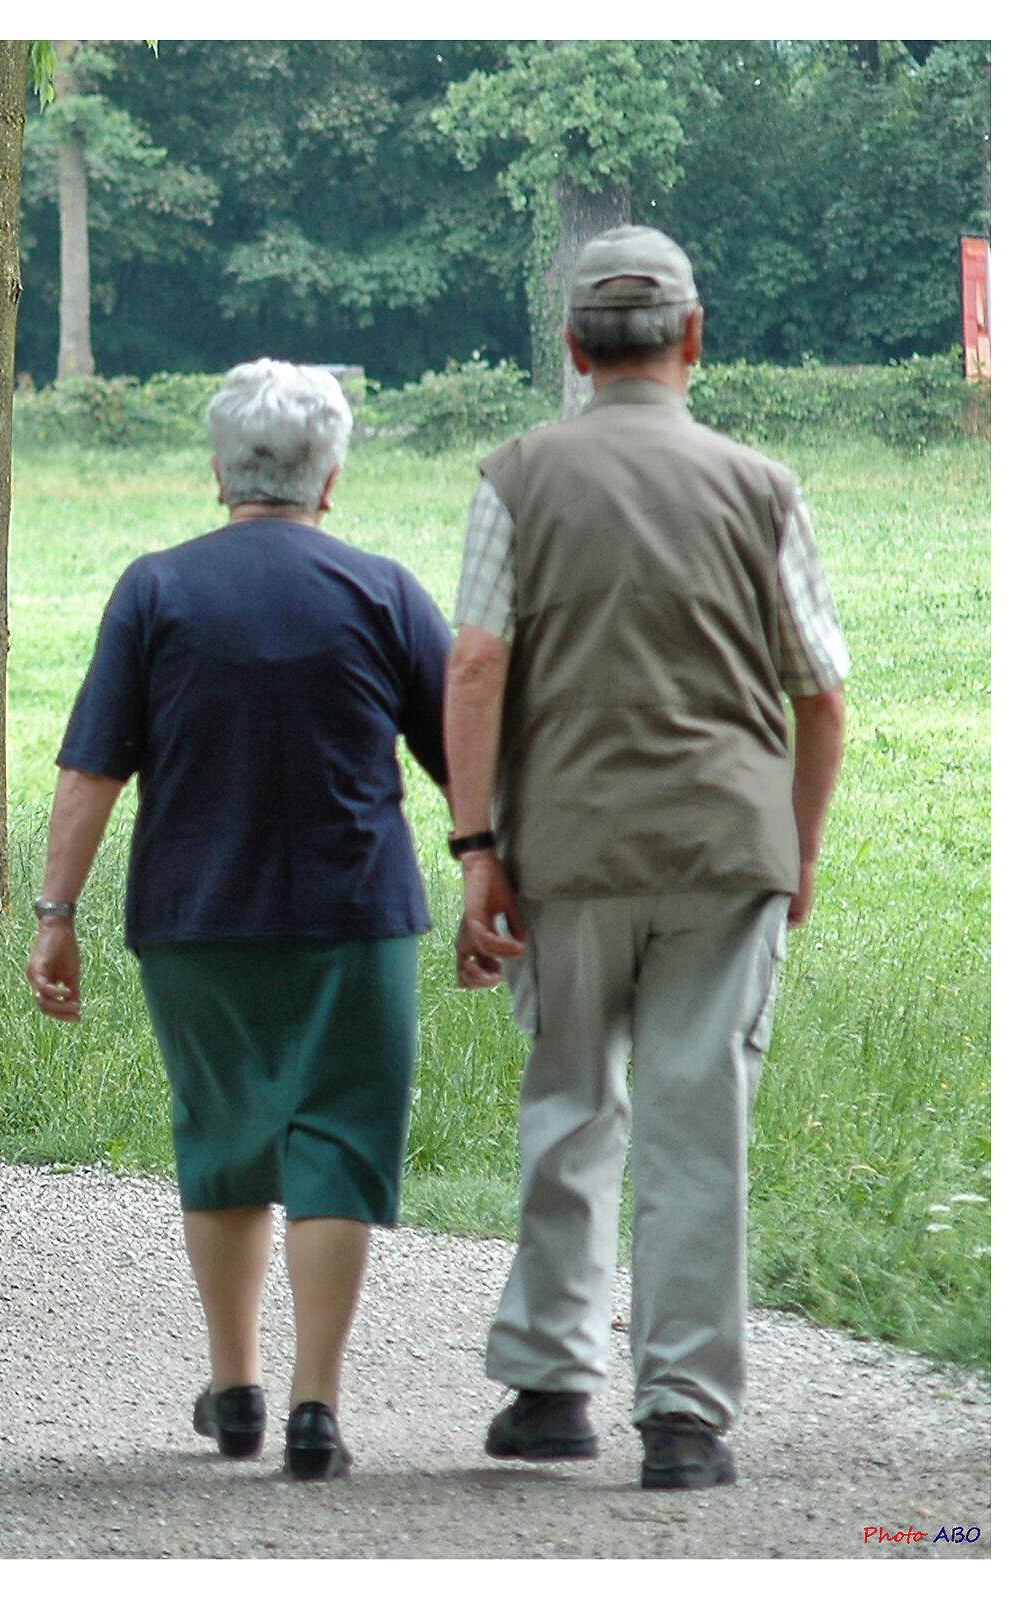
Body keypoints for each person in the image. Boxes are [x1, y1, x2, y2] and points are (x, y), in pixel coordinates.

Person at [446, 226, 848, 1490]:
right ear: (694, 337)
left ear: (574, 347)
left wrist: (476, 849)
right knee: (697, 1124)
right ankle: (682, 1417)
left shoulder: (518, 476)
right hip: (727, 846)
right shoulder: (762, 486)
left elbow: (476, 665)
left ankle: (551, 1387)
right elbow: (821, 692)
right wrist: (799, 848)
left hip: (564, 850)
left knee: (570, 1102)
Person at [26, 359, 456, 1480]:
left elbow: (92, 768)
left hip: (195, 915)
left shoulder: (155, 590)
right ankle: (317, 1409)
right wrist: (493, 872)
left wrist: (55, 912)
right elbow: (467, 754)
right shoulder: (385, 590)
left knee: (224, 1136)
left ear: (219, 472)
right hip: (357, 913)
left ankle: (235, 1389)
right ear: (332, 477)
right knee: (338, 1141)